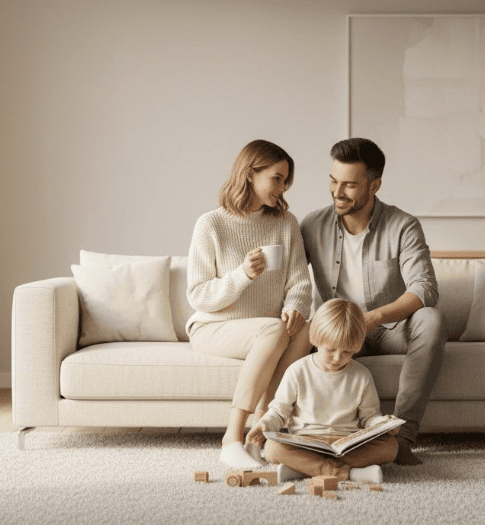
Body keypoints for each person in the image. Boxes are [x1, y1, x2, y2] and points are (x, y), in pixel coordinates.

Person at [300, 137, 443, 466]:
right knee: (297, 331)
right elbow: (289, 279)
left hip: (390, 329)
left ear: (374, 185)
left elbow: (425, 288)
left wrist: (374, 317)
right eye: (333, 181)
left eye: (349, 185)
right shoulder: (312, 225)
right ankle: (309, 435)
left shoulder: (403, 225)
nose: (337, 192)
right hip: (339, 333)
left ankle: (403, 438)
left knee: (432, 319)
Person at [186, 139, 313, 469]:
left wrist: (296, 306)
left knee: (309, 331)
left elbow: (299, 281)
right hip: (213, 328)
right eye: (277, 178)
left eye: (286, 181)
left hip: (267, 330)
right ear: (250, 173)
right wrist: (242, 275)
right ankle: (232, 436)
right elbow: (198, 294)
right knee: (272, 330)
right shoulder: (211, 224)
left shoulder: (285, 223)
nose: (283, 188)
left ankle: (262, 428)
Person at [246, 298, 400, 483]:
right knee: (272, 448)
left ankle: (305, 469)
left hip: (347, 443)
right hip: (306, 442)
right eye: (331, 350)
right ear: (317, 339)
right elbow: (279, 412)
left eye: (347, 352)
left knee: (390, 446)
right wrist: (265, 424)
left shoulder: (361, 375)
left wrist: (382, 424)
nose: (337, 358)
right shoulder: (297, 370)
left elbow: (368, 417)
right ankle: (349, 474)